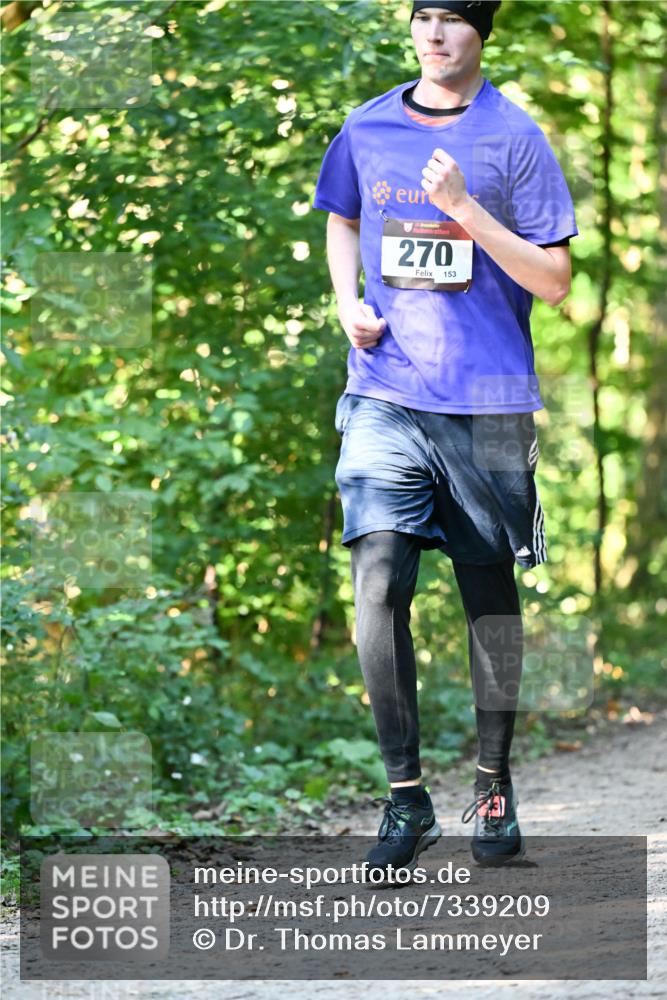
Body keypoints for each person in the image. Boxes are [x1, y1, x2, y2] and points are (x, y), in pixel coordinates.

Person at [312, 0, 578, 870]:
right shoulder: (366, 124)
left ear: (480, 34)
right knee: (377, 580)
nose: (435, 33)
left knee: (486, 597)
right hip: (385, 392)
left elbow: (555, 282)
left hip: (490, 402)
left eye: (454, 18)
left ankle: (493, 784)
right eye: (423, 15)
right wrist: (346, 300)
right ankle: (404, 798)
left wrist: (465, 209)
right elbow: (342, 217)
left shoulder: (514, 136)